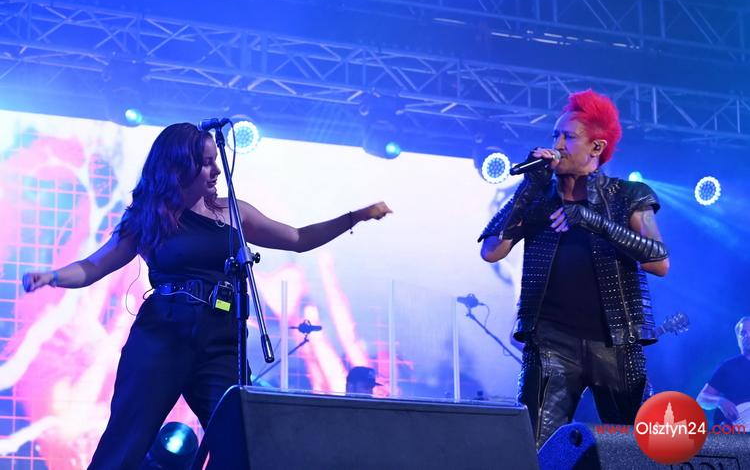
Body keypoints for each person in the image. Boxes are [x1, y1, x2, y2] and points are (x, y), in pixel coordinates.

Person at [21, 122, 393, 468]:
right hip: (164, 334)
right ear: (179, 168)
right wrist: (52, 276)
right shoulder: (149, 216)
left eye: (216, 161)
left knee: (240, 436)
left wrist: (355, 216)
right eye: (205, 163)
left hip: (221, 339)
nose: (215, 170)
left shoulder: (234, 212)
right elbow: (94, 265)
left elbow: (298, 238)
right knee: (126, 439)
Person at [477, 89, 669, 448]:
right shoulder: (538, 198)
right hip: (551, 343)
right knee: (535, 447)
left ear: (596, 147)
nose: (558, 144)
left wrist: (594, 221)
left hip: (616, 342)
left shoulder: (628, 194)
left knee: (637, 449)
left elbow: (659, 261)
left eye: (568, 136)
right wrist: (528, 188)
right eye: (555, 135)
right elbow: (491, 251)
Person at [697, 316, 750, 426]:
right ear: (738, 340)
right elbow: (701, 399)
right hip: (732, 431)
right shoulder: (728, 366)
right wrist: (720, 401)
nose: (748, 336)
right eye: (743, 333)